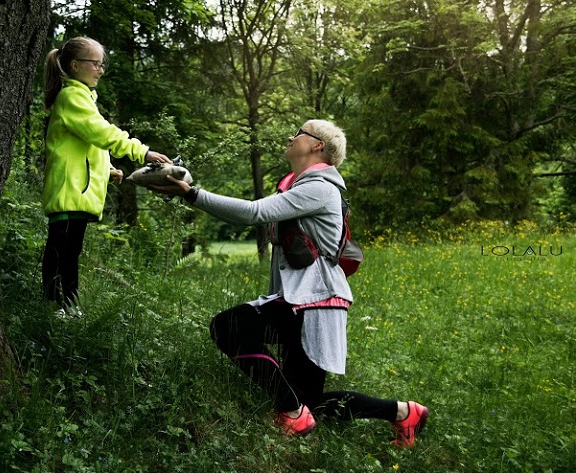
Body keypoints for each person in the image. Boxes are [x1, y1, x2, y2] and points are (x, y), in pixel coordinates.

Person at [148, 119, 429, 447]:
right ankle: (403, 413)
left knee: (229, 328)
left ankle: (292, 414)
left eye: (298, 133)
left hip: (314, 298)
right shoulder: (299, 186)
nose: (290, 136)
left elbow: (253, 213)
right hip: (313, 300)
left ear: (316, 145)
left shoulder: (319, 188)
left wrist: (192, 194)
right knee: (309, 401)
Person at [41, 36, 171, 316]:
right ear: (75, 66)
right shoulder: (72, 97)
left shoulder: (81, 97)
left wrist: (106, 168)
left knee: (67, 250)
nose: (100, 69)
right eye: (95, 63)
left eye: (102, 64)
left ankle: (59, 307)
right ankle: (61, 308)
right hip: (69, 190)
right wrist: (142, 152)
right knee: (63, 252)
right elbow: (102, 133)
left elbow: (85, 145)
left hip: (76, 189)